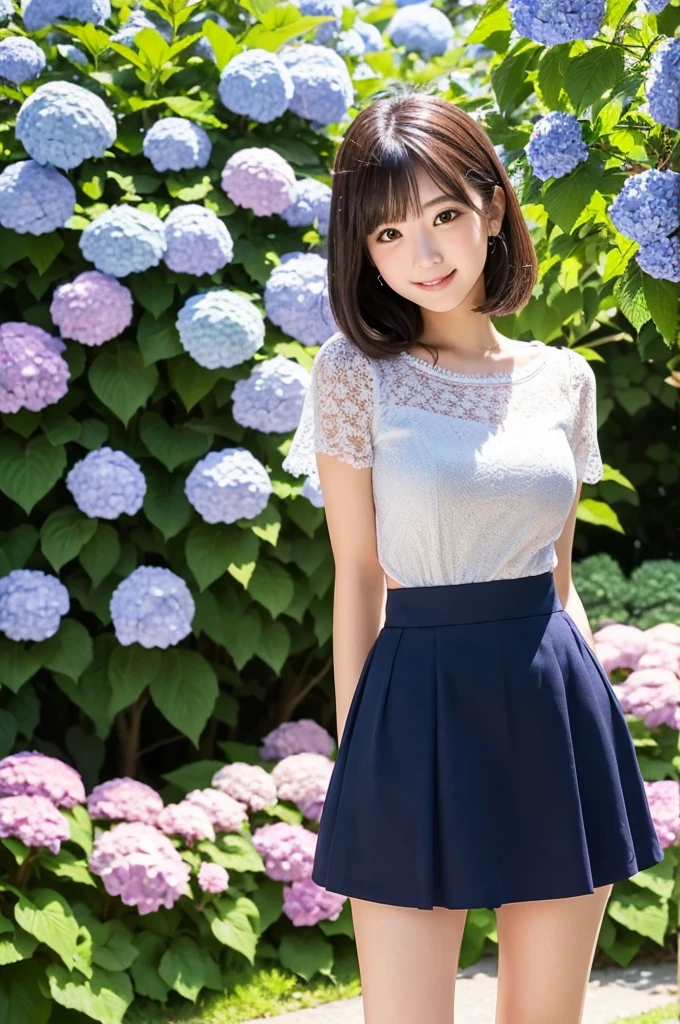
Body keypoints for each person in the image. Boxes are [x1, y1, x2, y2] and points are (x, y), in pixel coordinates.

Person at [281, 87, 664, 1024]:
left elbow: (559, 578)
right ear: (362, 251)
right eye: (387, 234)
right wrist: (359, 753)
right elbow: (360, 575)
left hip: (552, 707)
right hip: (413, 710)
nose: (424, 255)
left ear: (493, 208)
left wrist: (594, 728)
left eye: (446, 215)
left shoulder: (563, 380)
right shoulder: (351, 374)